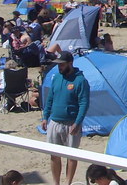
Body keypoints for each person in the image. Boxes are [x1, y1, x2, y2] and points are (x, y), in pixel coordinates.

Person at [41, 51, 90, 185]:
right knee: (54, 155)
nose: (59, 67)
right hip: (55, 121)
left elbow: (84, 104)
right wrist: (45, 117)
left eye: (62, 64)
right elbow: (50, 98)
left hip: (71, 123)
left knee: (71, 156)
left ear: (70, 63)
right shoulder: (57, 78)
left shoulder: (80, 81)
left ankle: (68, 182)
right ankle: (56, 182)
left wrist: (77, 122)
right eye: (58, 64)